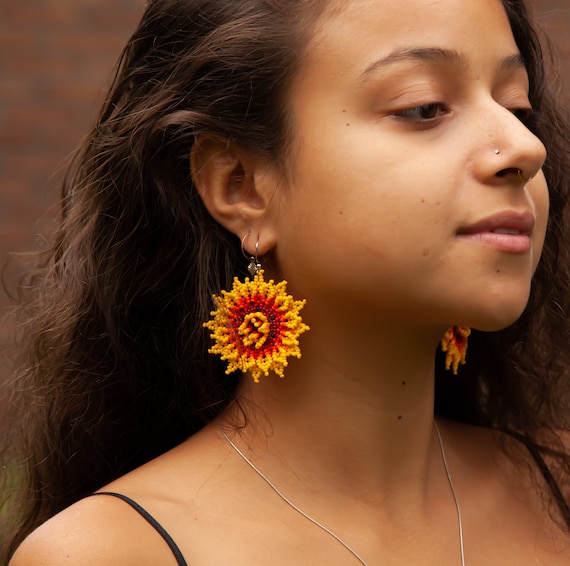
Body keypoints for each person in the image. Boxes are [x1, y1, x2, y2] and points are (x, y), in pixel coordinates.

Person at [3, 0, 570, 563]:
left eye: (516, 106)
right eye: (424, 107)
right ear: (241, 186)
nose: (525, 147)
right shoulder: (111, 554)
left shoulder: (555, 490)